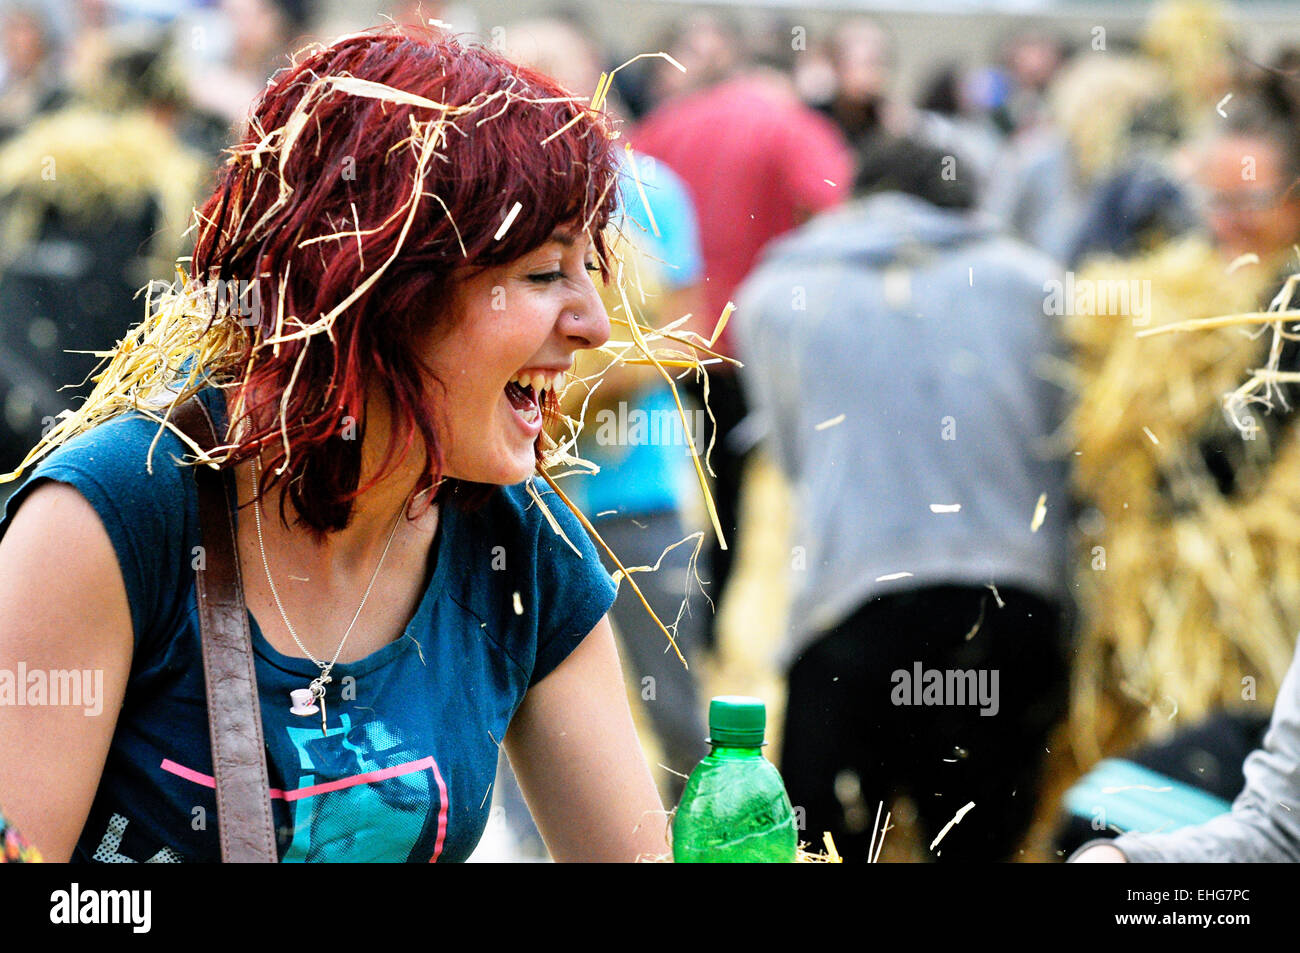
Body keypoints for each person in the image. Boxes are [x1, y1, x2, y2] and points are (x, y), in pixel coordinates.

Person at [0, 24, 666, 863]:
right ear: (382, 288)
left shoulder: (519, 551)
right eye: (542, 275)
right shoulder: (112, 517)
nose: (595, 326)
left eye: (587, 271)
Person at [736, 135, 1071, 861]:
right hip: (1011, 606)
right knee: (980, 846)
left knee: (829, 844)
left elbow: (792, 460)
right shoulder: (1040, 284)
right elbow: (1072, 446)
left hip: (852, 604)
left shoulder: (776, 295)